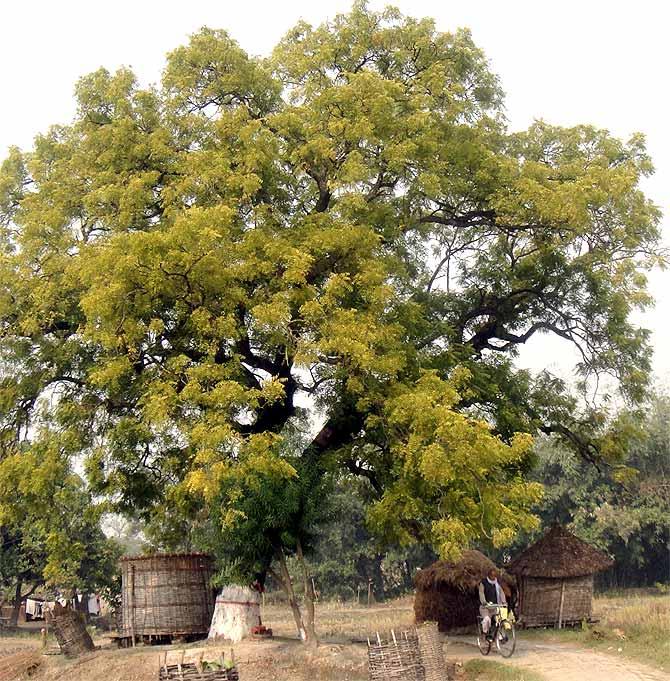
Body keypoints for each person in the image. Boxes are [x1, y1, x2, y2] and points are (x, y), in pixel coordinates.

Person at [478, 568, 507, 641]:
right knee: (487, 619)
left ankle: (500, 636)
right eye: (492, 576)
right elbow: (481, 593)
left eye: (494, 576)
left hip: (494, 606)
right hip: (485, 608)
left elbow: (501, 593)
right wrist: (484, 602)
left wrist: (503, 602)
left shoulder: (497, 584)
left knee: (500, 620)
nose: (493, 577)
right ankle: (485, 634)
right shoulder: (483, 583)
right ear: (489, 575)